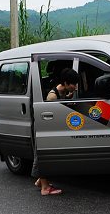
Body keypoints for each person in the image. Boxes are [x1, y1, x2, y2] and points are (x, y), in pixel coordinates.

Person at [33, 67, 79, 196]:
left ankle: (41, 181)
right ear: (64, 83)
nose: (75, 87)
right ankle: (45, 188)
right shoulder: (52, 96)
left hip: (52, 128)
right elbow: (49, 114)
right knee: (43, 155)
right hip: (45, 128)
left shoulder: (64, 92)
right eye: (73, 84)